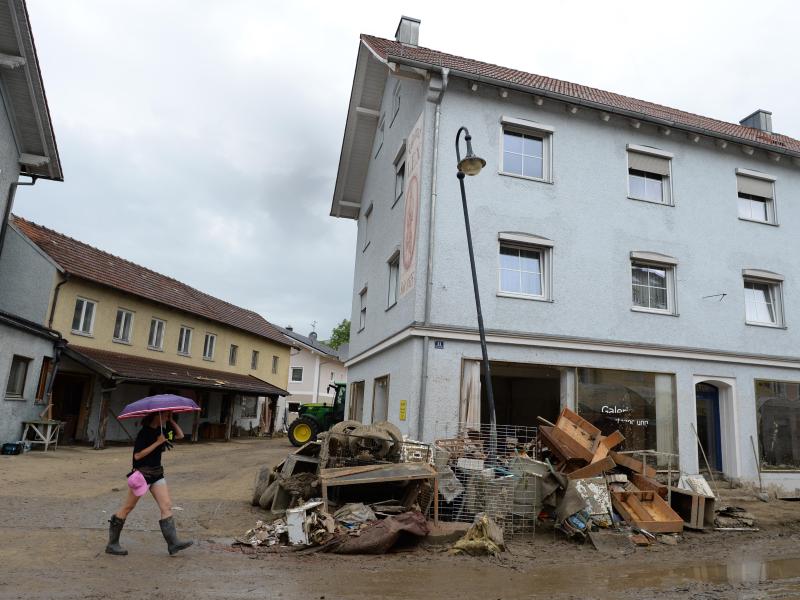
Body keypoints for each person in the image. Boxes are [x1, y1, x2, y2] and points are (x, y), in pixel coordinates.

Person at [105, 410, 193, 556]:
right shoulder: (144, 433)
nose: (167, 418)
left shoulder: (163, 431)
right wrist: (157, 443)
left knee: (166, 506)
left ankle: (173, 543)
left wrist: (171, 421)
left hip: (157, 474)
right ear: (156, 416)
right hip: (143, 475)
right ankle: (112, 544)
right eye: (165, 415)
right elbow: (138, 455)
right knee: (128, 508)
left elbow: (180, 435)